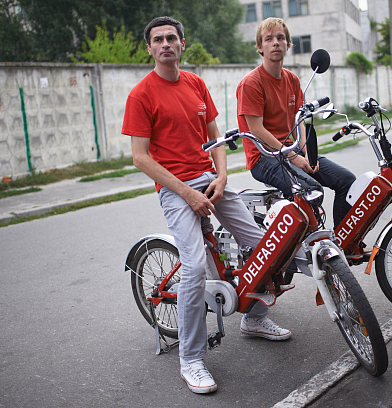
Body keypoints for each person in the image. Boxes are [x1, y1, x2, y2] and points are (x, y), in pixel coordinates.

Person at [122, 16, 291, 395]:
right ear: (149, 48)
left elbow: (215, 136)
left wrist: (222, 177)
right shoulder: (141, 94)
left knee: (267, 244)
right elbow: (140, 157)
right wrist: (187, 192)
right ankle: (191, 359)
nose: (166, 44)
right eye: (158, 40)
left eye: (172, 38)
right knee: (196, 266)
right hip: (176, 190)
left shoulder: (196, 83)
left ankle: (255, 319)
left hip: (211, 181)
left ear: (183, 44)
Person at [236, 17, 356, 229]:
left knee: (347, 180)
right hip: (264, 156)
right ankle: (297, 251)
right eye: (269, 39)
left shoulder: (292, 80)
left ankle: (341, 243)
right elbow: (256, 129)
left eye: (281, 38)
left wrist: (307, 153)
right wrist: (293, 157)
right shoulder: (251, 83)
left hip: (290, 150)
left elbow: (297, 119)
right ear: (260, 47)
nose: (275, 42)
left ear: (288, 44)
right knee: (310, 189)